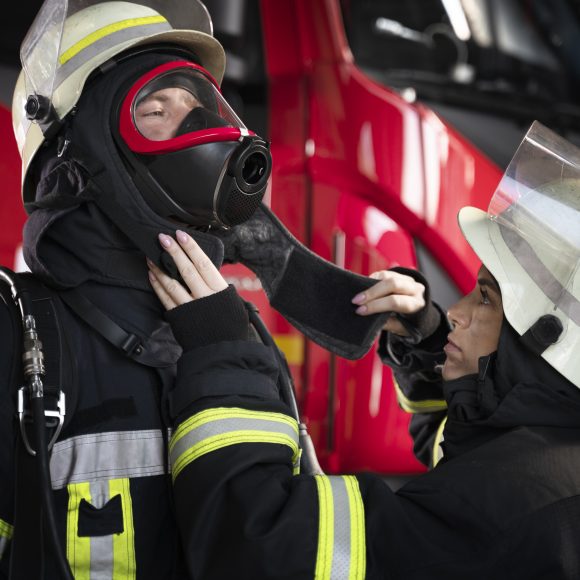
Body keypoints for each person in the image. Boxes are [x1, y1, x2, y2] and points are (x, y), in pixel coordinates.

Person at [145, 120, 580, 579]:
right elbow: (470, 446)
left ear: (542, 338)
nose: (458, 312)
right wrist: (428, 340)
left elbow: (259, 548)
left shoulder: (506, 504)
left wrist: (225, 359)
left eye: (488, 298)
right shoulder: (549, 450)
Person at [1, 0, 277, 578]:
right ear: (80, 158)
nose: (203, 129)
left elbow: (285, 538)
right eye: (156, 108)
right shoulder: (15, 339)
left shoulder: (237, 334)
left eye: (200, 107)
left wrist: (226, 354)